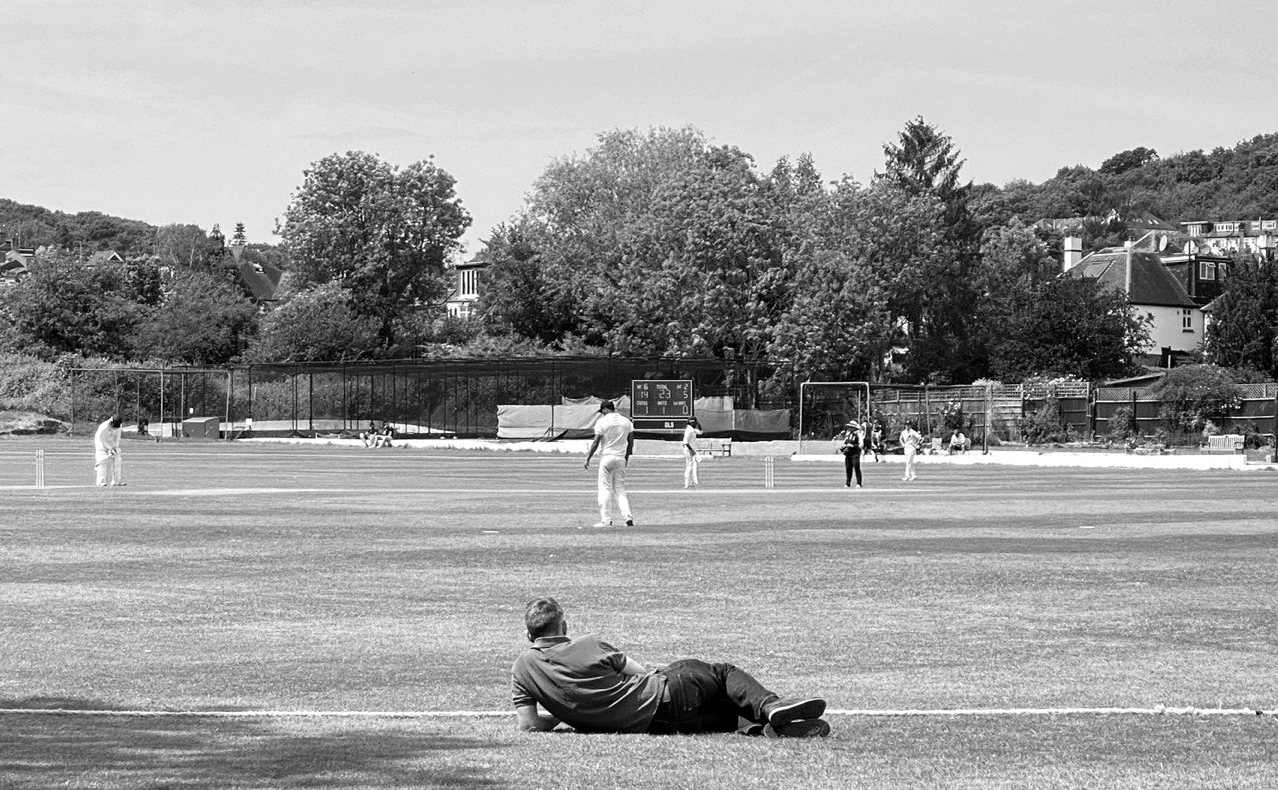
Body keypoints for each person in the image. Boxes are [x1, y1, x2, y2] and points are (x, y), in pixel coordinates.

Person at [511, 597, 830, 738]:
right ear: (564, 625)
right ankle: (771, 706)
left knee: (726, 715)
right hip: (667, 693)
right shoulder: (590, 643)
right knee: (721, 673)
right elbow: (641, 673)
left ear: (529, 634)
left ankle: (775, 730)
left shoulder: (522, 669)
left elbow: (529, 725)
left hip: (658, 725)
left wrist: (566, 714)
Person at [583, 400, 635, 528]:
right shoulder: (626, 421)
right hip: (621, 458)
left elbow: (596, 442)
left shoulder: (602, 422)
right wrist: (626, 458)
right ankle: (628, 516)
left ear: (606, 410)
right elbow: (631, 443)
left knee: (604, 489)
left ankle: (606, 520)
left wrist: (588, 457)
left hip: (607, 457)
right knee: (620, 489)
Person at [93, 416, 124, 487]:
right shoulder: (104, 427)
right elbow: (102, 440)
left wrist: (115, 447)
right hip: (100, 442)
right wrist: (110, 448)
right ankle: (101, 482)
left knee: (117, 460)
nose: (115, 428)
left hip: (111, 441)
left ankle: (116, 482)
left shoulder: (119, 425)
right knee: (102, 461)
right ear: (111, 422)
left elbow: (117, 437)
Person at [835, 421, 862, 488]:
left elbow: (861, 445)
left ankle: (859, 483)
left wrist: (853, 446)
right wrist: (843, 447)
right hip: (848, 454)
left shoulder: (858, 434)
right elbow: (845, 442)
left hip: (855, 453)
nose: (849, 428)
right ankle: (848, 483)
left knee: (856, 468)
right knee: (848, 469)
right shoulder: (848, 434)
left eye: (851, 427)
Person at [682, 417, 702, 489]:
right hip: (688, 450)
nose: (695, 424)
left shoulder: (692, 429)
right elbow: (685, 442)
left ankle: (690, 483)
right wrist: (692, 451)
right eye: (694, 423)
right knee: (689, 466)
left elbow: (700, 432)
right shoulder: (689, 430)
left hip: (692, 449)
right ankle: (686, 484)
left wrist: (698, 423)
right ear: (691, 423)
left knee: (692, 466)